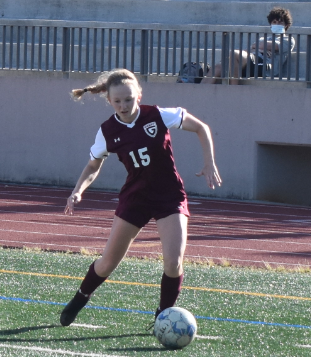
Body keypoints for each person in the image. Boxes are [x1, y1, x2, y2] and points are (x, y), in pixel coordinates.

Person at [60, 69, 221, 328]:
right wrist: (78, 190)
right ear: (109, 101)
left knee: (173, 262)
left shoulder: (157, 115)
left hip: (169, 196)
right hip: (136, 197)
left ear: (139, 96)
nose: (124, 105)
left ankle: (164, 315)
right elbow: (93, 166)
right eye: (118, 101)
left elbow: (201, 127)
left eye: (129, 99)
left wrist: (209, 162)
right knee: (108, 263)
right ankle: (80, 298)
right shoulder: (107, 131)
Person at [202, 7, 294, 84]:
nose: (277, 24)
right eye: (274, 22)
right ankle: (199, 96)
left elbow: (269, 46)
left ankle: (233, 91)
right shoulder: (263, 38)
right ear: (270, 24)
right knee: (218, 67)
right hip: (253, 62)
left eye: (280, 22)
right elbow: (253, 48)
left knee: (234, 54)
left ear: (286, 25)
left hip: (266, 68)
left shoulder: (288, 40)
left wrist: (259, 47)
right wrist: (261, 49)